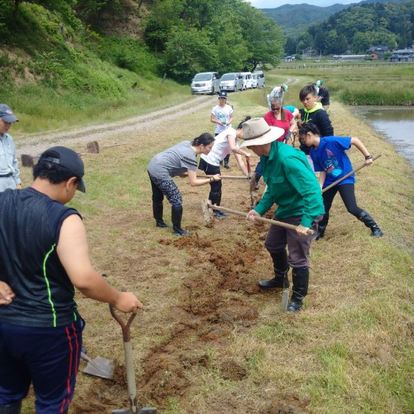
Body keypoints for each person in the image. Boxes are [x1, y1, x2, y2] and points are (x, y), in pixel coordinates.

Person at [0, 146, 142, 414]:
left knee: (6, 394)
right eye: (76, 188)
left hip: (4, 324)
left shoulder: (2, 200)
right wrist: (119, 297)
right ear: (70, 183)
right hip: (49, 328)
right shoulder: (64, 218)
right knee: (51, 402)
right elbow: (84, 279)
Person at [242, 118, 325, 312]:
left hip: (301, 211)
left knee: (297, 257)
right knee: (273, 244)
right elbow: (272, 189)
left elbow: (312, 191)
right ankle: (280, 278)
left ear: (260, 143)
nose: (250, 149)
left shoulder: (287, 159)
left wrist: (306, 222)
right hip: (285, 210)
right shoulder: (266, 159)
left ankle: (298, 298)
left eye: (251, 145)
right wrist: (259, 209)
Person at [298, 123, 383, 239]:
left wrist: (368, 156)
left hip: (345, 178)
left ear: (309, 135)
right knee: (322, 207)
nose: (302, 142)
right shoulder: (313, 152)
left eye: (302, 139)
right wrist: (320, 186)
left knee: (351, 208)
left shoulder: (331, 141)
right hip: (330, 181)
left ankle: (375, 228)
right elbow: (322, 171)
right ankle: (320, 232)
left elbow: (355, 140)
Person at [148, 133, 220, 236]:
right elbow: (193, 182)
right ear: (201, 146)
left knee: (158, 195)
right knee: (176, 199)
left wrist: (183, 173)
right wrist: (212, 179)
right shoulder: (191, 157)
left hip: (153, 164)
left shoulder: (187, 143)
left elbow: (176, 159)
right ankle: (177, 230)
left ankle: (159, 222)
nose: (210, 150)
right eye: (209, 147)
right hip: (160, 171)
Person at [198, 117, 251, 218]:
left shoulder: (236, 142)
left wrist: (248, 175)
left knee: (215, 186)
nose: (245, 137)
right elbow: (232, 148)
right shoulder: (231, 132)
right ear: (241, 129)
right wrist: (245, 153)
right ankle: (215, 210)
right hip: (209, 159)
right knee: (216, 186)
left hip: (211, 161)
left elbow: (240, 162)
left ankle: (212, 207)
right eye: (246, 134)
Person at [0, 104, 22, 192]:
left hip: (11, 183)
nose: (8, 126)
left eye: (10, 123)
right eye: (5, 122)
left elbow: (13, 161)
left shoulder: (9, 139)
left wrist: (17, 182)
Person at [210, 91, 233, 168]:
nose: (222, 100)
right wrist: (218, 122)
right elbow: (212, 119)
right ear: (218, 99)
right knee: (218, 145)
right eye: (221, 98)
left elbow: (231, 117)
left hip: (227, 129)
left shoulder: (229, 108)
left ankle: (226, 162)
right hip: (219, 130)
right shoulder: (215, 108)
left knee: (228, 146)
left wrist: (228, 122)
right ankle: (219, 161)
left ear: (226, 99)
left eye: (224, 98)